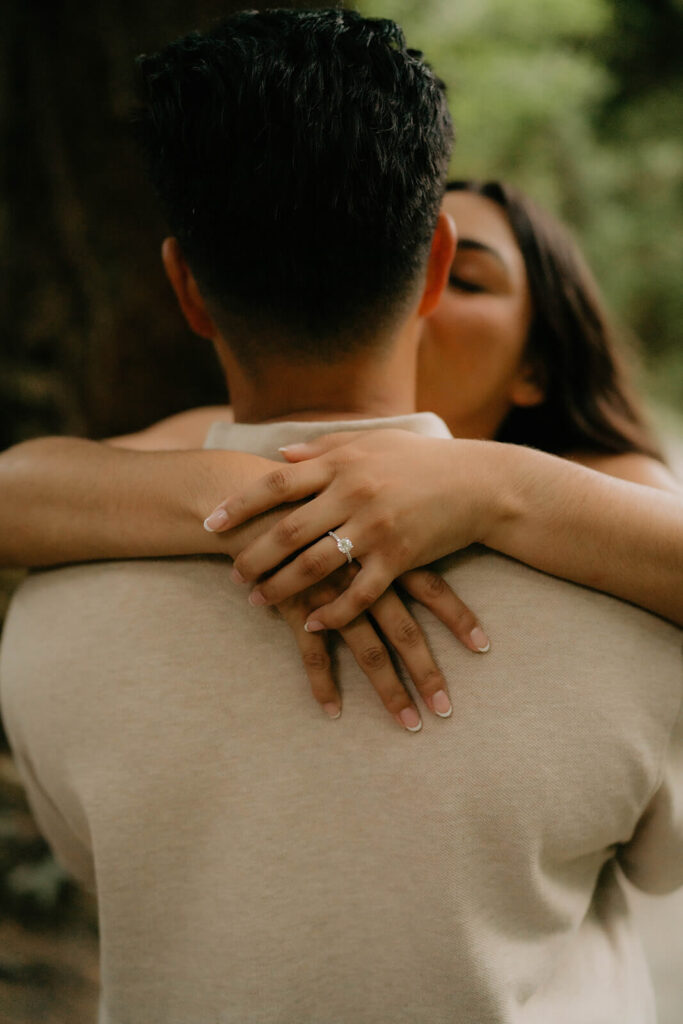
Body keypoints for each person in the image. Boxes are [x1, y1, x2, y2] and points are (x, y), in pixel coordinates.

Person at [1, 10, 681, 1023]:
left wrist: (498, 486)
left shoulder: (56, 615)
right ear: (431, 265)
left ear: (185, 284)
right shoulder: (629, 620)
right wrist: (284, 505)